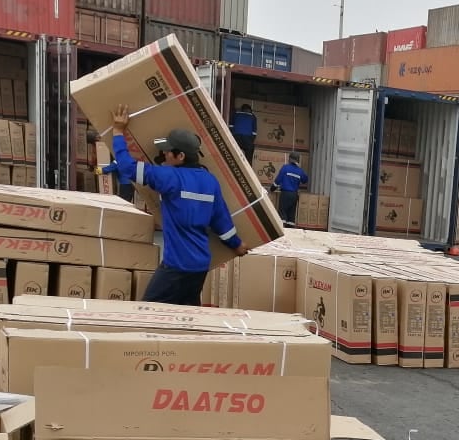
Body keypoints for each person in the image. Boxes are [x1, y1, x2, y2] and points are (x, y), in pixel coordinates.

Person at [108, 104, 247, 305]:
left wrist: (118, 132)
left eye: (168, 152)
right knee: (186, 316)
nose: (164, 154)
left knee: (147, 313)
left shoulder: (169, 177)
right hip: (199, 267)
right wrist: (238, 244)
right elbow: (222, 223)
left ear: (180, 156)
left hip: (176, 266)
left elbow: (128, 168)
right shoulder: (210, 181)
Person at [270, 152, 309, 225]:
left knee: (282, 212)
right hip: (294, 195)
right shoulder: (300, 171)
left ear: (290, 159)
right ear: (298, 161)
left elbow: (278, 180)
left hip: (285, 194)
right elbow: (305, 180)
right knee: (291, 215)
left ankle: (283, 230)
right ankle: (291, 229)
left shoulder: (285, 167)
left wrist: (272, 188)